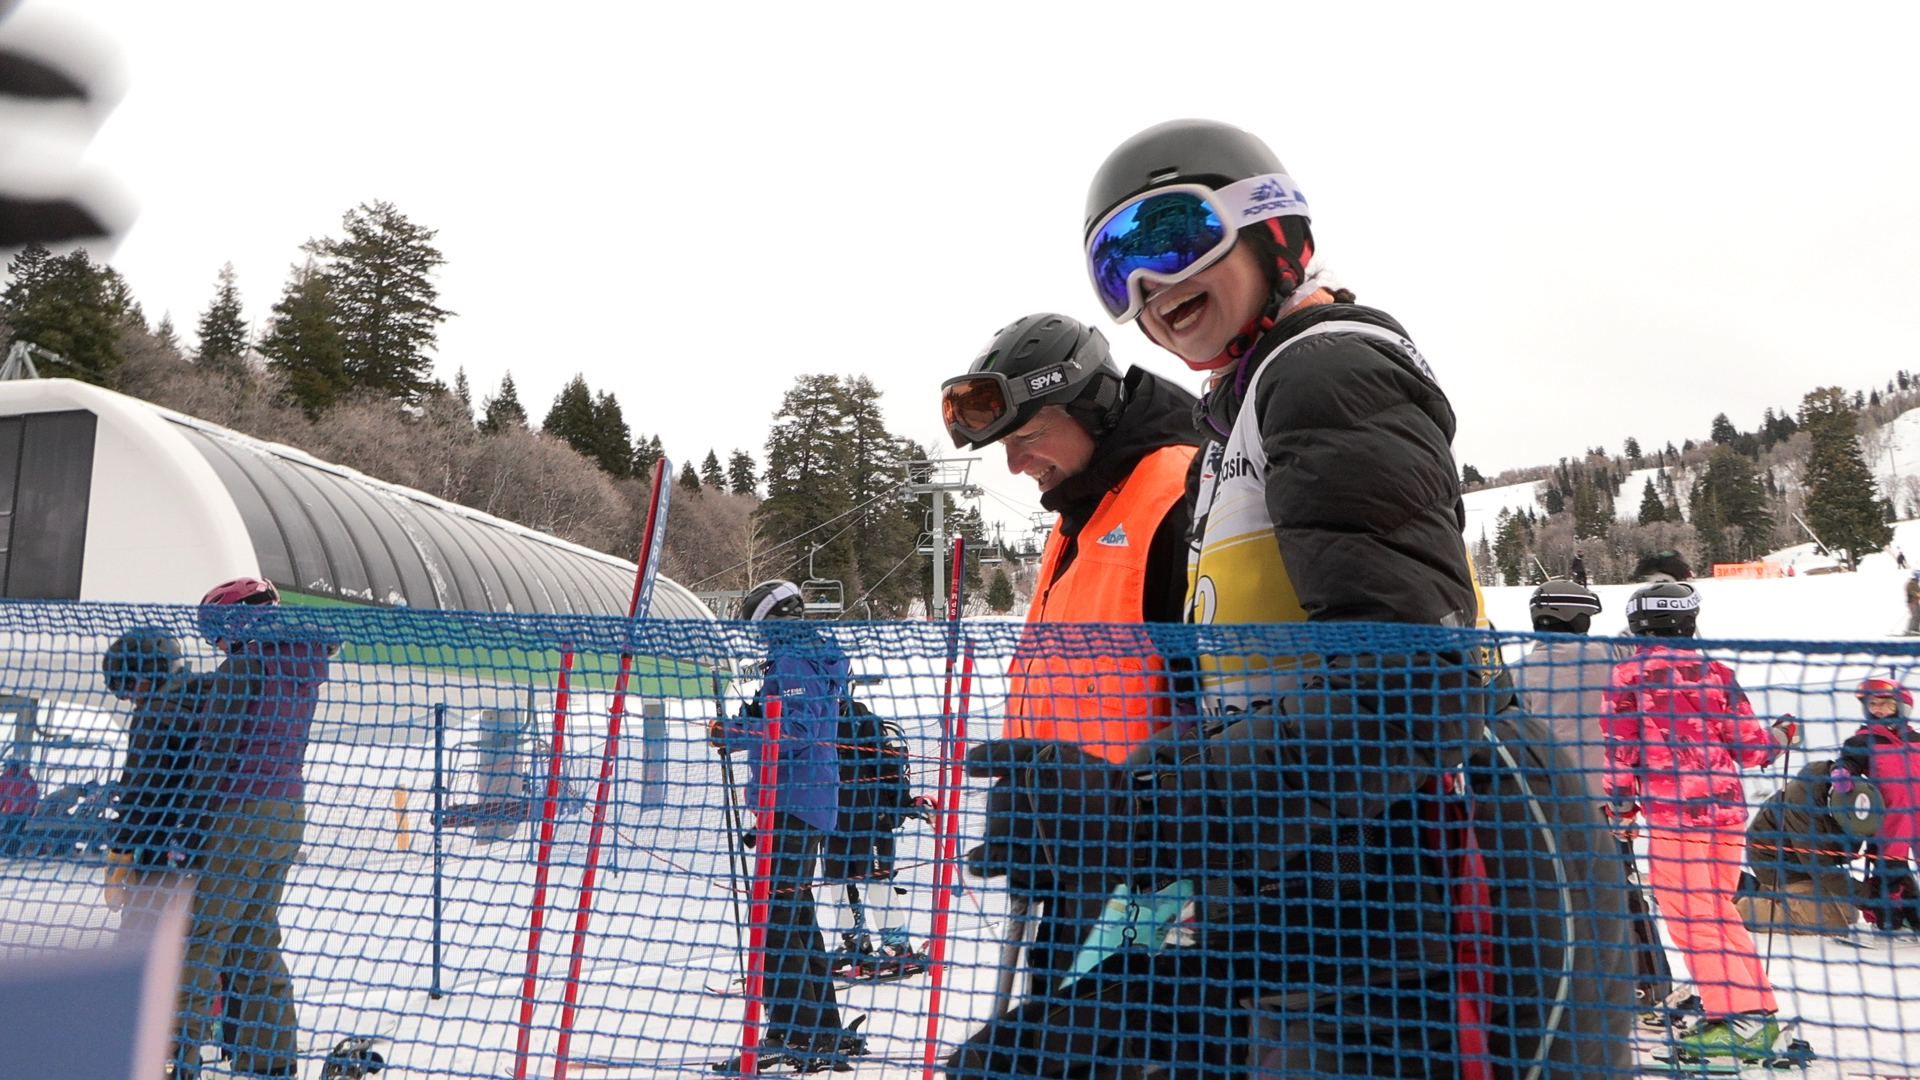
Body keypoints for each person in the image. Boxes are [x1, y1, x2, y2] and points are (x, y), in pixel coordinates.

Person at [953, 118, 1631, 1080]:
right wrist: (1107, 802)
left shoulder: (1324, 369)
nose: (1147, 287)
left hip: (1437, 896)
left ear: (1270, 227)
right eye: (1116, 269)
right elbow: (1256, 692)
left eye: (1169, 237)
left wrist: (1138, 811)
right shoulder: (1243, 405)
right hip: (1327, 894)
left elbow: (1411, 689)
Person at [941, 311, 1202, 758]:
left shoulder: (1179, 499)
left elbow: (1224, 722)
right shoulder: (1074, 520)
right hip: (1054, 821)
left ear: (1092, 407)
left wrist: (1125, 797)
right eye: (1006, 446)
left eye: (1027, 434)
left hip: (1142, 823)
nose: (1015, 464)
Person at [1602, 581, 1795, 1061]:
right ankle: (1756, 1014)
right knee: (1718, 912)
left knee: (1692, 919)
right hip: (1727, 816)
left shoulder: (1626, 677)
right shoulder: (1716, 673)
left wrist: (1621, 810)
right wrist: (1781, 735)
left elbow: (1620, 755)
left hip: (1675, 820)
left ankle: (1736, 1020)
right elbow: (1751, 749)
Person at [174, 577, 331, 1079]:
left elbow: (215, 752)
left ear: (235, 624)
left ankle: (173, 1057)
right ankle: (271, 1058)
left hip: (239, 811)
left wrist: (191, 824)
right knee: (255, 939)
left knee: (201, 938)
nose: (217, 647)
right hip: (286, 812)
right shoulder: (301, 664)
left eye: (216, 635)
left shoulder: (242, 667)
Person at [711, 579, 868, 1073]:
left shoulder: (794, 660)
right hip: (802, 800)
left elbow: (796, 731)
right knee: (794, 917)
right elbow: (793, 718)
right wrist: (750, 718)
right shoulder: (807, 657)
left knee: (775, 923)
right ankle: (820, 1029)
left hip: (793, 801)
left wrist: (737, 731)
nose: (760, 642)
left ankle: (795, 1032)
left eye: (761, 631)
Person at [101, 629, 199, 939]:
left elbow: (143, 789)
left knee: (139, 936)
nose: (127, 696)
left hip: (161, 847)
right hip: (198, 843)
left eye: (129, 683)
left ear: (156, 672)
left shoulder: (155, 715)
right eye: (118, 687)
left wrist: (122, 846)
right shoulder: (200, 700)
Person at [1835, 679, 1920, 931]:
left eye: (1885, 703)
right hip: (1890, 818)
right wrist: (1843, 774)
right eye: (1873, 704)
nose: (1878, 709)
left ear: (1902, 706)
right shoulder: (1863, 740)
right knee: (1889, 868)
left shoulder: (1916, 738)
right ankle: (1886, 920)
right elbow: (1848, 762)